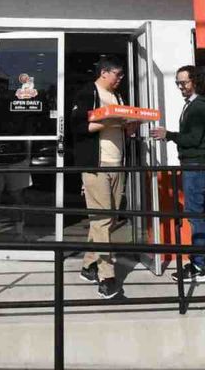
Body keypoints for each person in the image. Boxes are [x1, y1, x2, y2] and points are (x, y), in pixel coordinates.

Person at [71, 55, 133, 299]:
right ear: (105, 72)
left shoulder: (118, 97)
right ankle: (107, 277)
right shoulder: (88, 93)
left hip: (117, 164)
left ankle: (88, 265)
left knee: (107, 218)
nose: (120, 79)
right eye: (117, 75)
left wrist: (130, 125)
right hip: (96, 165)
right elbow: (78, 127)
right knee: (103, 219)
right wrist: (107, 121)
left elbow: (124, 132)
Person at [150, 65, 205, 283]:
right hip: (199, 163)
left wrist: (167, 134)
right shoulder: (197, 105)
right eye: (178, 82)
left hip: (196, 164)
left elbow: (193, 139)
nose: (180, 86)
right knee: (202, 213)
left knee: (195, 214)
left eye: (184, 82)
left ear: (195, 81)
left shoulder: (198, 107)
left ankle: (199, 265)